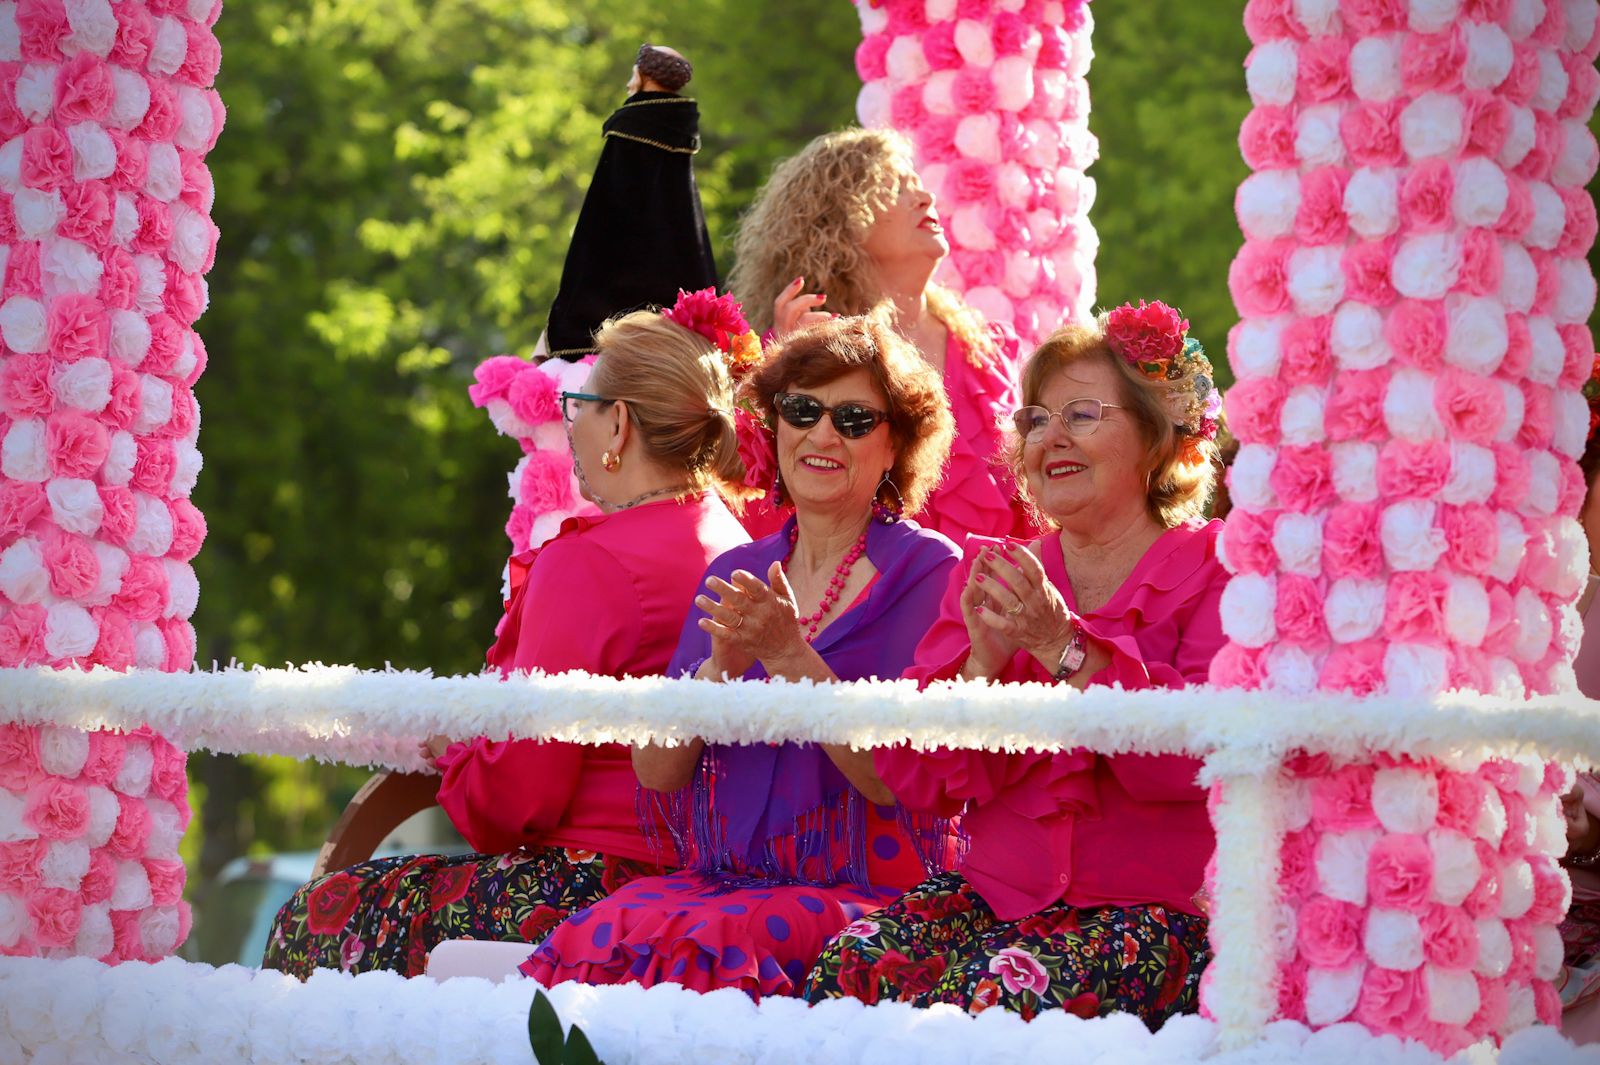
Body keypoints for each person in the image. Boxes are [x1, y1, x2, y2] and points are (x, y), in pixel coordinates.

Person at [262, 306, 753, 977]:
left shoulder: (591, 562)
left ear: (620, 423)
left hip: (590, 885)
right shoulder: (733, 539)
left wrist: (457, 756)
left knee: (315, 917)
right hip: (709, 882)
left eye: (578, 403)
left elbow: (520, 796)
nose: (569, 421)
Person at [804, 301, 1226, 1027]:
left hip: (1156, 911)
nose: (1049, 437)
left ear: (1157, 439)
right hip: (998, 896)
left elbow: (1187, 765)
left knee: (996, 1003)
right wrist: (984, 668)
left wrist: (1064, 647)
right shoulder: (997, 575)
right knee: (845, 975)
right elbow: (920, 780)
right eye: (1035, 419)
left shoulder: (1218, 569)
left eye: (1082, 415)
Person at [517, 314, 963, 999]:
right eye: (802, 409)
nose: (820, 433)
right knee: (591, 939)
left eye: (852, 418)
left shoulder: (930, 572)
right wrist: (718, 670)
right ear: (776, 423)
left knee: (713, 947)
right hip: (724, 883)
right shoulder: (739, 566)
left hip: (867, 894)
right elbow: (657, 771)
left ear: (895, 442)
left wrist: (792, 659)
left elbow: (895, 777)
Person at [728, 128, 1033, 541]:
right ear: (839, 221)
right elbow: (756, 508)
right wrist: (781, 377)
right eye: (893, 187)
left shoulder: (992, 353)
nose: (925, 199)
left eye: (919, 185)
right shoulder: (792, 346)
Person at [542, 44, 717, 360]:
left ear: (645, 74)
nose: (628, 82)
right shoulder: (678, 133)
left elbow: (604, 221)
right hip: (673, 316)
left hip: (611, 320)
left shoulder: (629, 129)